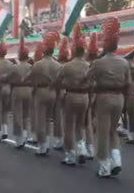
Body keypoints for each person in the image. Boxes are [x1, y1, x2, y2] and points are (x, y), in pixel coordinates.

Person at [86, 17, 130, 178]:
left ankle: (104, 166)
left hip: (104, 97)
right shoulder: (124, 63)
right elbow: (129, 84)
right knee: (113, 131)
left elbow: (87, 79)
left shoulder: (99, 63)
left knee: (103, 132)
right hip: (119, 98)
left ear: (106, 44)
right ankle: (116, 160)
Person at [53, 23, 89, 165]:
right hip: (85, 97)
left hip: (71, 96)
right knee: (80, 126)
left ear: (73, 51)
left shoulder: (67, 66)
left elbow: (57, 81)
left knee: (68, 125)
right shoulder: (88, 66)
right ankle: (81, 149)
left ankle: (70, 155)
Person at [24, 31, 61, 156]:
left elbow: (27, 79)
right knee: (51, 119)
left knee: (40, 119)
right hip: (53, 93)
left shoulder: (38, 64)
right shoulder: (58, 65)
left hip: (41, 92)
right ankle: (53, 142)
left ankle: (42, 146)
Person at [1, 36, 32, 149]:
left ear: (19, 55)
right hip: (29, 90)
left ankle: (19, 139)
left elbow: (6, 78)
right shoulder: (31, 67)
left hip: (17, 90)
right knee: (26, 115)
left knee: (18, 115)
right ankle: (24, 135)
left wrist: (3, 76)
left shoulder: (15, 67)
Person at [53, 37, 69, 150]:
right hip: (69, 92)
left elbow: (56, 81)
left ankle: (59, 141)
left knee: (59, 118)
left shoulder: (58, 66)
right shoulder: (69, 65)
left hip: (60, 92)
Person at [84, 32, 98, 159]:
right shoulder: (97, 64)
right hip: (96, 97)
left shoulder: (91, 66)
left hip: (90, 97)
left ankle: (85, 149)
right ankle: (90, 148)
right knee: (89, 124)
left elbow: (87, 81)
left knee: (83, 124)